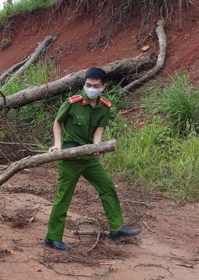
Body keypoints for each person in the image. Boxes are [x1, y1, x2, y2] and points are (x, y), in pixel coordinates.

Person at [44, 67, 140, 250]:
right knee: (64, 197)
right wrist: (57, 144)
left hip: (88, 157)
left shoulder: (105, 107)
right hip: (70, 157)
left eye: (96, 85)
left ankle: (116, 228)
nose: (91, 88)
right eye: (88, 85)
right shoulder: (73, 103)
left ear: (104, 86)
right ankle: (52, 237)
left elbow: (99, 130)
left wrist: (98, 147)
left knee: (107, 187)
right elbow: (58, 122)